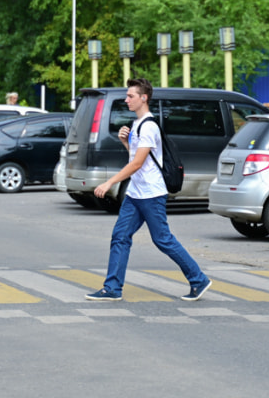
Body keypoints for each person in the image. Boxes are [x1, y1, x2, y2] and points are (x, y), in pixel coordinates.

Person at [87, 78, 211, 301]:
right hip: (136, 193)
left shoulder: (149, 126)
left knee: (162, 239)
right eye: (126, 96)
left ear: (143, 98)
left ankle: (198, 279)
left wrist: (109, 182)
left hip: (152, 194)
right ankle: (112, 288)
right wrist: (125, 143)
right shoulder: (137, 125)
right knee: (120, 236)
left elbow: (137, 164)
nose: (126, 100)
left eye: (130, 96)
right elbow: (136, 158)